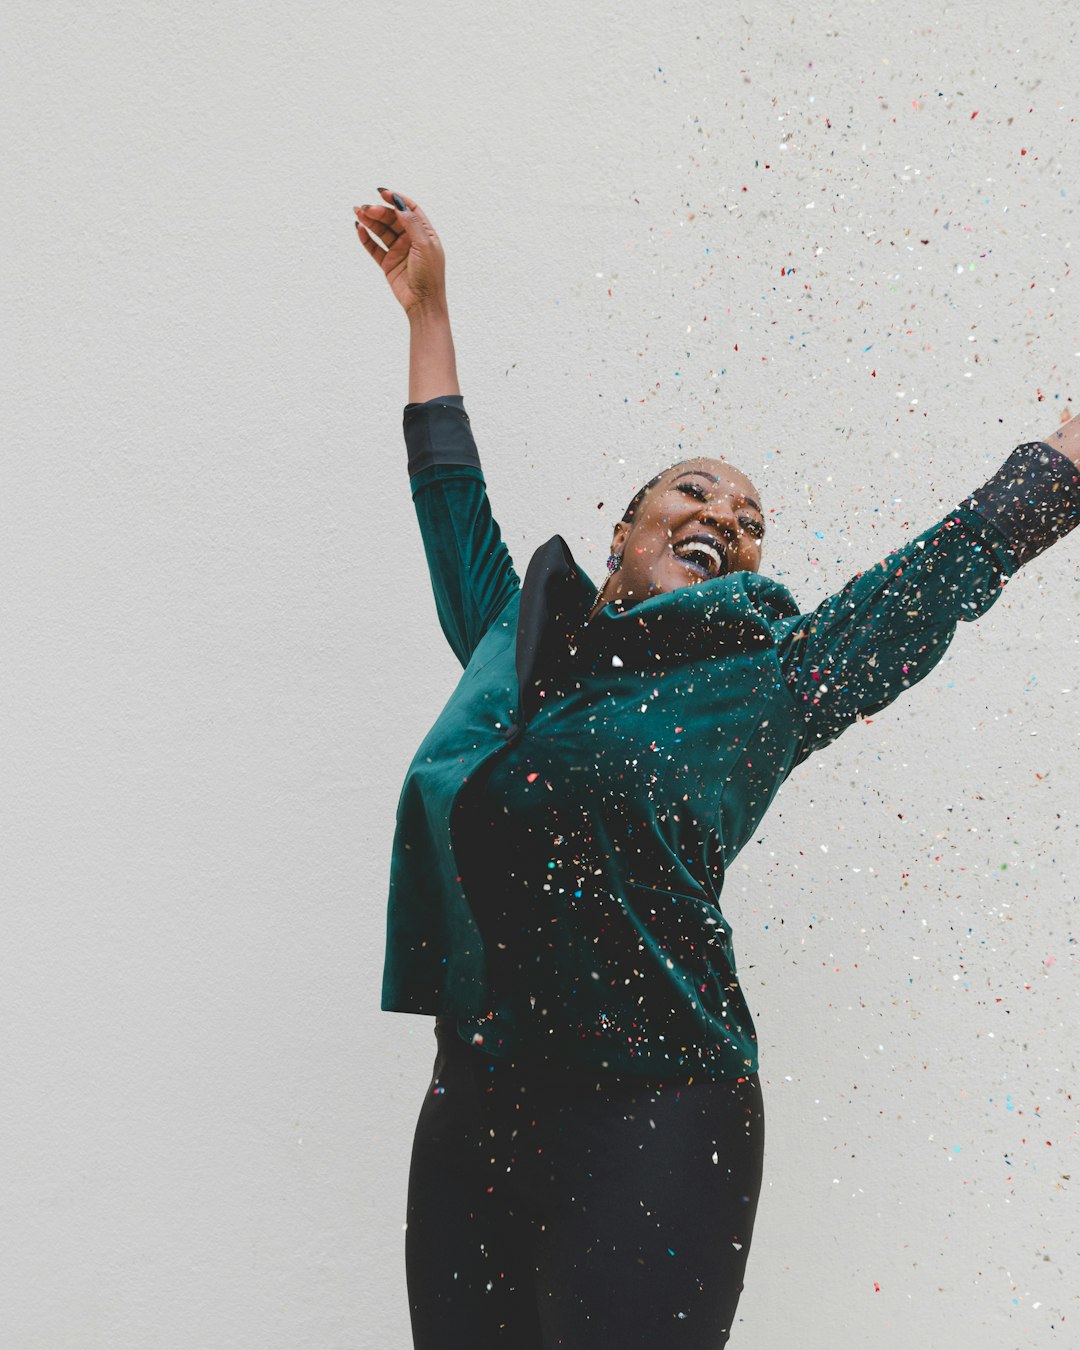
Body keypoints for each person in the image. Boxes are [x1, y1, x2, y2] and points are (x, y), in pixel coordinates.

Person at [354, 188, 1080, 1349]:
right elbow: (450, 501)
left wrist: (1067, 457)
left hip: (658, 1112)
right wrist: (427, 311)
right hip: (478, 1100)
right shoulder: (517, 644)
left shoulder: (768, 682)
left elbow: (931, 582)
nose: (727, 519)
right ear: (624, 533)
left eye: (750, 520)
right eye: (695, 490)